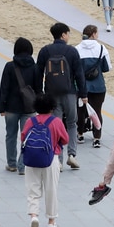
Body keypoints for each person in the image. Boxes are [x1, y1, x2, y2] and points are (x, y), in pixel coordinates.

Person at [36, 21, 85, 169]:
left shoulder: (45, 51)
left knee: (56, 125)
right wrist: (83, 93)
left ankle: (58, 158)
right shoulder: (71, 51)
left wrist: (40, 92)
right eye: (68, 33)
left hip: (51, 93)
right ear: (63, 35)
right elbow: (79, 74)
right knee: (71, 123)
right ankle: (72, 154)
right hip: (69, 92)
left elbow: (38, 73)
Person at [21, 95, 69, 227]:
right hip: (51, 159)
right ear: (52, 108)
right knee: (51, 190)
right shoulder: (56, 122)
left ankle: (34, 216)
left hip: (31, 160)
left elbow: (23, 137)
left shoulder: (31, 121)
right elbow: (65, 139)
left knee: (32, 190)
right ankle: (51, 222)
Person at [0, 37, 39, 173]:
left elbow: (4, 88)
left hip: (11, 107)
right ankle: (22, 166)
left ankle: (12, 164)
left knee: (10, 135)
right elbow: (39, 88)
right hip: (30, 107)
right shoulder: (35, 67)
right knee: (27, 136)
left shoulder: (10, 66)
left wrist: (1, 108)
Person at [75, 25, 109, 149]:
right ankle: (97, 137)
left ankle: (80, 133)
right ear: (93, 34)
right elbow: (106, 68)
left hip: (82, 86)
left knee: (80, 110)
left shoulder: (77, 49)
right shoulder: (101, 48)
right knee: (97, 111)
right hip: (98, 86)